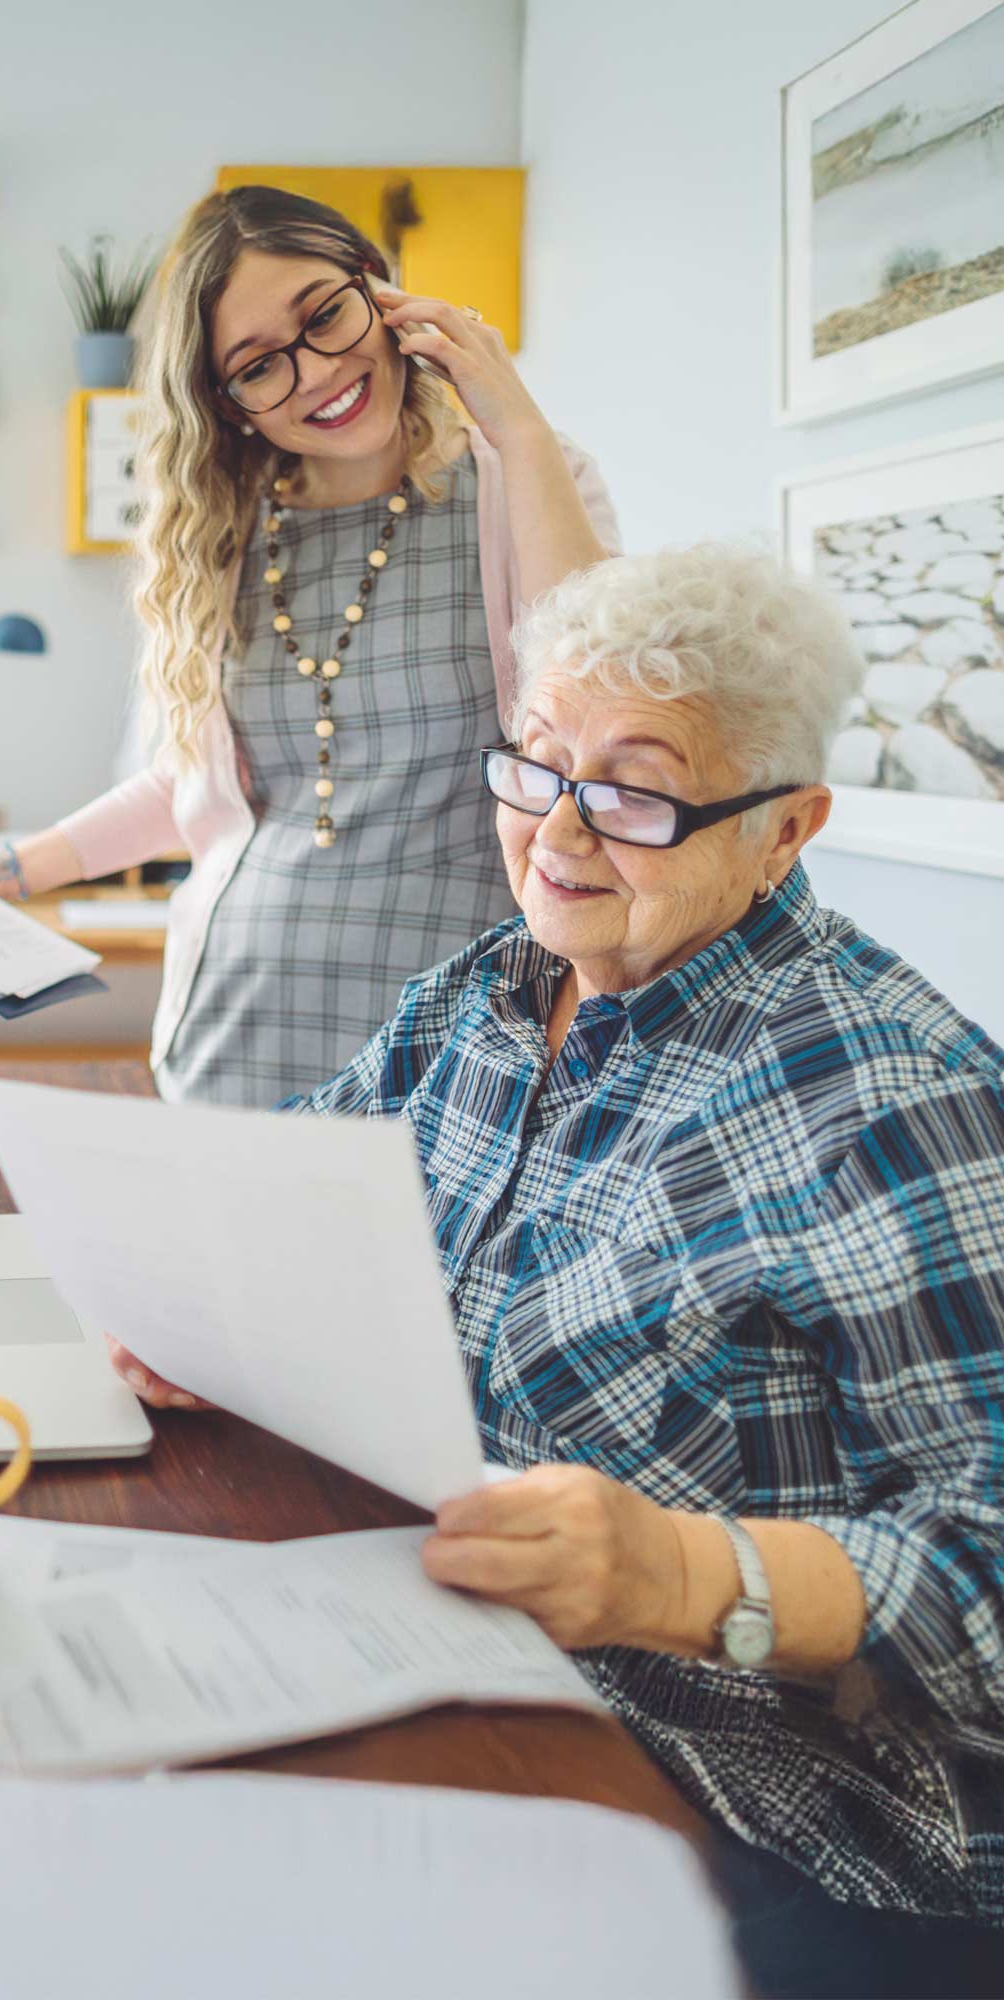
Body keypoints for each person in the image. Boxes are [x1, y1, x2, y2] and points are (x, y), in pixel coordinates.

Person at [114, 544, 1004, 1985]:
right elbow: (285, 1190)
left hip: (776, 1810)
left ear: (786, 829)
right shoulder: (483, 998)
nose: (563, 837)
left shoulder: (891, 1102)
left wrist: (683, 1571)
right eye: (537, 768)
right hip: (462, 1650)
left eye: (639, 793)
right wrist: (202, 1296)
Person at [0, 184, 618, 1106]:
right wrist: (11, 868)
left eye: (325, 317)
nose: (314, 373)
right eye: (260, 365)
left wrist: (517, 424)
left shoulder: (524, 479)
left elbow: (603, 705)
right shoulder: (224, 539)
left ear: (380, 293)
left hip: (464, 1049)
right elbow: (195, 785)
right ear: (228, 405)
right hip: (235, 1036)